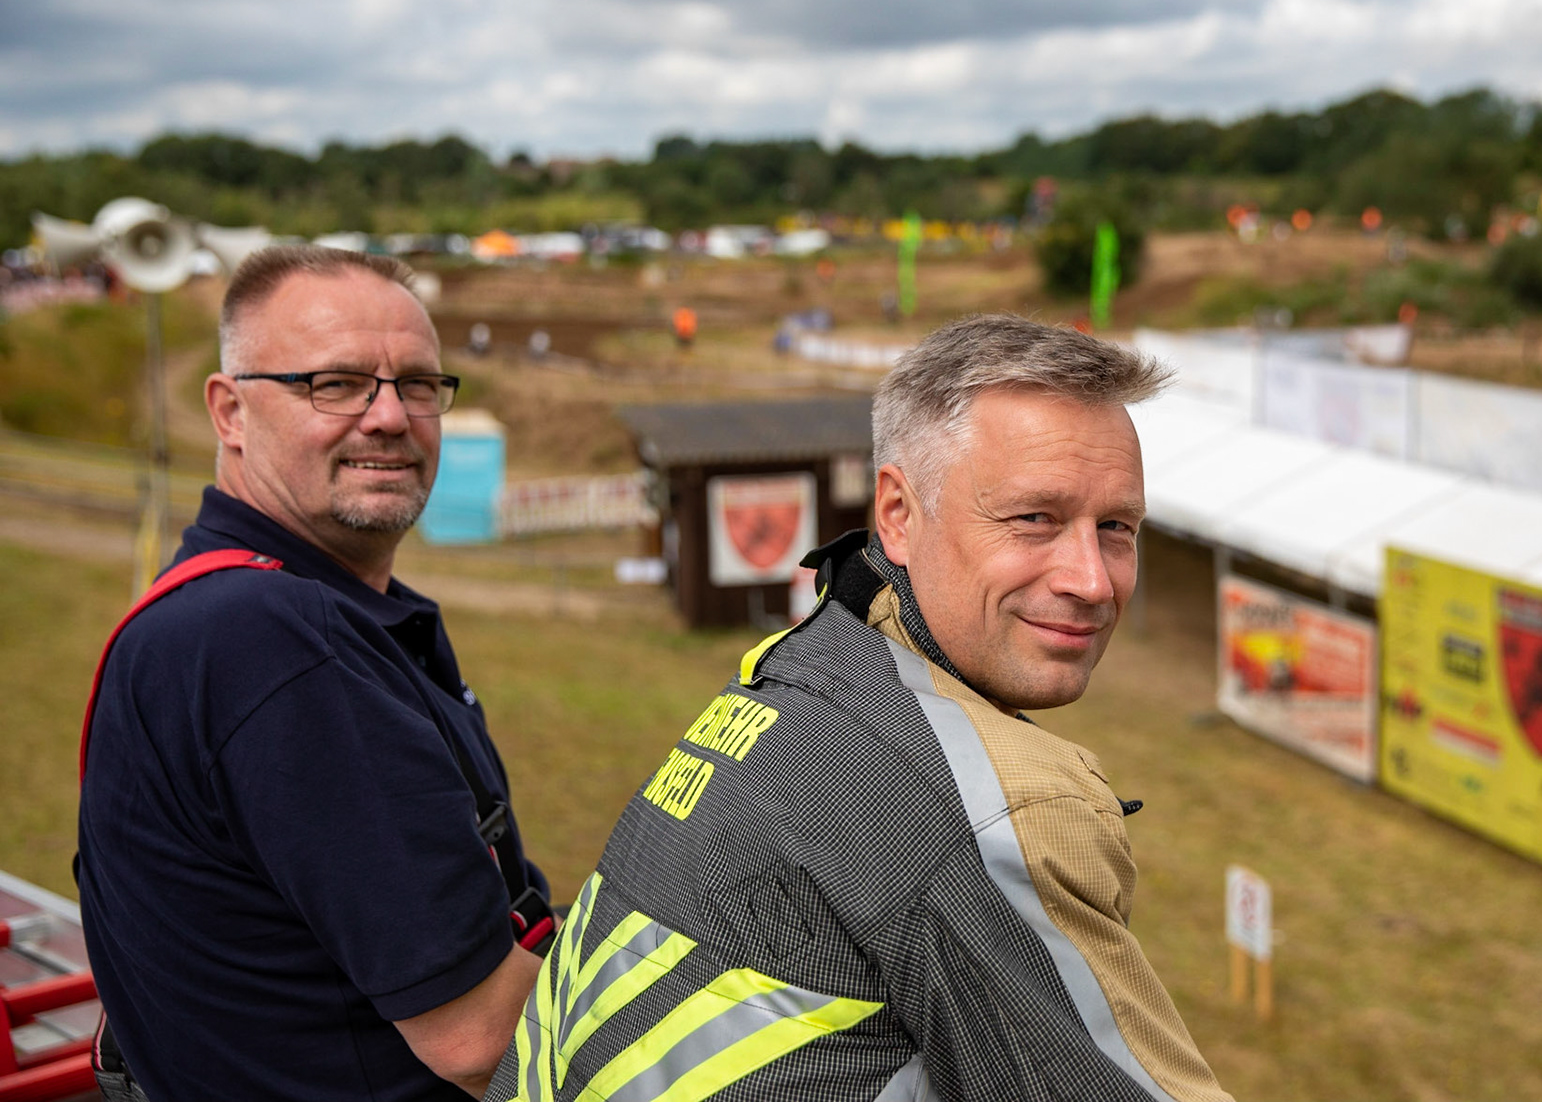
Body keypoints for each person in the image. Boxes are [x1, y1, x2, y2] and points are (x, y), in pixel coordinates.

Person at [488, 314, 1229, 1101]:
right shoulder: (992, 805)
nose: (1093, 579)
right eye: (1033, 519)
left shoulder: (810, 665)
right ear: (898, 515)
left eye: (1117, 527)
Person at [77, 246, 549, 1101]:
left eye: (416, 384)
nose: (389, 417)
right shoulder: (266, 642)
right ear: (229, 411)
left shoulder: (249, 606)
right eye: (333, 384)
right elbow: (481, 1039)